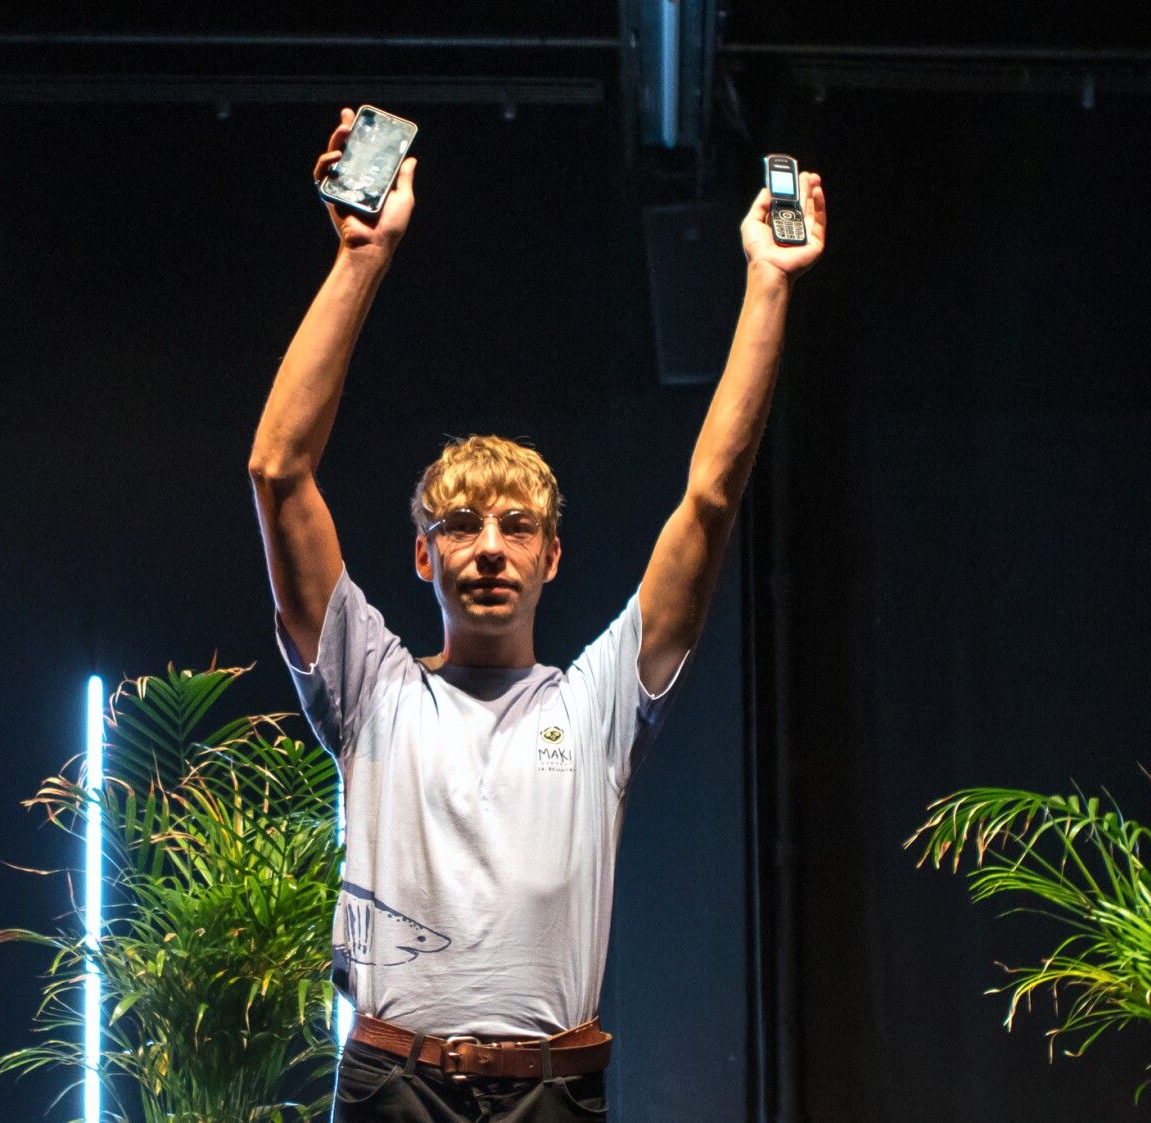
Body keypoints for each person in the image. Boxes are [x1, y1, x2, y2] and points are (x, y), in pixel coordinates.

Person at [247, 107, 826, 1122]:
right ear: (422, 555)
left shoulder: (597, 702)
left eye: (517, 527)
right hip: (392, 1087)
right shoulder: (371, 685)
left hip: (552, 1093)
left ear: (552, 557)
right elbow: (277, 471)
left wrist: (768, 284)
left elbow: (709, 499)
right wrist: (361, 258)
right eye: (461, 526)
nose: (488, 547)